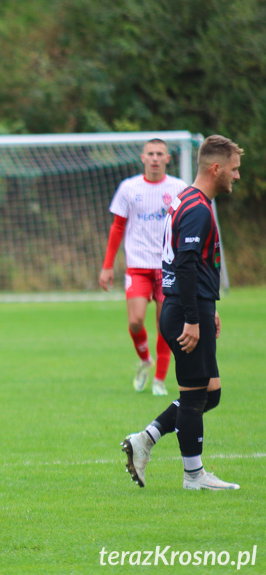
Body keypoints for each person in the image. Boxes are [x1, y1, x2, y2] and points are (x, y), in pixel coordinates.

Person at [122, 135, 243, 491]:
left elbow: (192, 263)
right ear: (216, 168)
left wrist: (208, 306)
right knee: (194, 394)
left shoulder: (187, 198)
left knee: (211, 392)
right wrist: (193, 316)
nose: (236, 176)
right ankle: (194, 475)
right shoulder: (197, 208)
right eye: (234, 170)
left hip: (193, 305)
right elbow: (186, 265)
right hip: (183, 309)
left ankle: (146, 438)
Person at [99, 139, 188, 396]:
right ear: (142, 157)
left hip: (168, 266)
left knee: (165, 326)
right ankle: (145, 359)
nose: (155, 158)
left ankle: (160, 379)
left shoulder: (179, 188)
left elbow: (185, 224)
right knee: (136, 321)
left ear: (168, 158)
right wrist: (107, 266)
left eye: (160, 154)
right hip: (137, 265)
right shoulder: (129, 188)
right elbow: (117, 227)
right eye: (151, 153)